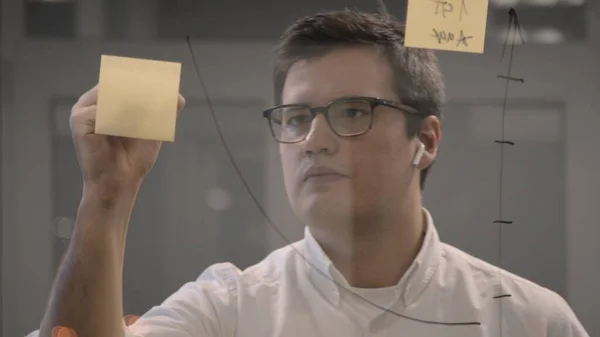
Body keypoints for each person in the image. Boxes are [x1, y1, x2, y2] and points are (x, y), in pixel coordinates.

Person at [30, 9, 589, 337]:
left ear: (425, 140)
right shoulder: (229, 309)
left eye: (352, 112)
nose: (313, 140)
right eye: (296, 117)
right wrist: (107, 196)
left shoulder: (526, 320)